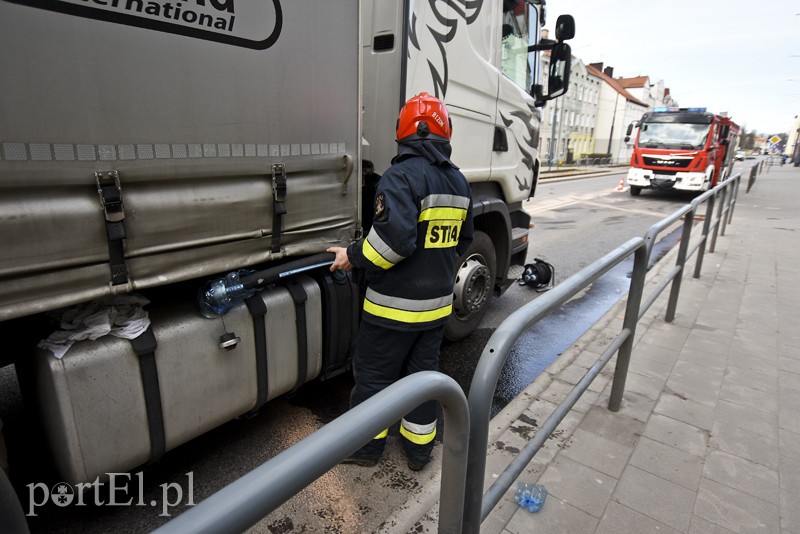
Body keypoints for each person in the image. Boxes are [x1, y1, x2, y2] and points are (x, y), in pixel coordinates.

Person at [327, 92, 474, 471]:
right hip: (437, 308)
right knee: (422, 382)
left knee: (374, 378)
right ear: (445, 132)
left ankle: (366, 448)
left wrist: (351, 255)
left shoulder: (400, 176)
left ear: (404, 132)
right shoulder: (458, 182)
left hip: (391, 309)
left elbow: (392, 245)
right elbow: (464, 241)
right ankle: (419, 452)